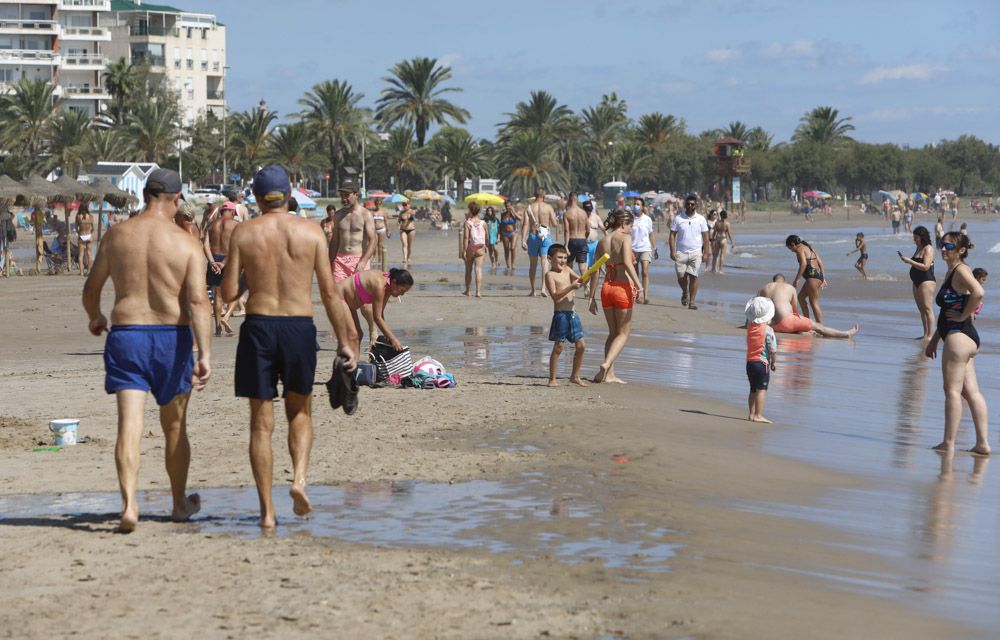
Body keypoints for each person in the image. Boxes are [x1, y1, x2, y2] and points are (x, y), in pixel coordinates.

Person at [222, 165, 356, 529]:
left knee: (260, 425)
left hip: (259, 326)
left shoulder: (245, 233)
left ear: (256, 196)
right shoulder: (311, 232)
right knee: (300, 411)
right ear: (288, 194)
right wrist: (345, 341)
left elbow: (229, 293)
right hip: (299, 327)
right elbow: (330, 292)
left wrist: (253, 270)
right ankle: (298, 479)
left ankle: (267, 512)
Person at [81, 168, 211, 533]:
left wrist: (96, 317)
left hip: (127, 336)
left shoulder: (117, 236)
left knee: (129, 426)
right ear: (175, 199)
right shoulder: (186, 243)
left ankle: (129, 506)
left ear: (144, 196)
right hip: (172, 338)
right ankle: (178, 504)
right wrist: (205, 355)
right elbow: (199, 303)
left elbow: (91, 290)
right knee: (174, 427)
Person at [924, 232, 989, 456]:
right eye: (941, 244)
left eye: (948, 246)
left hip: (959, 336)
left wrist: (962, 316)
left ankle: (948, 442)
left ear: (960, 250)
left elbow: (979, 292)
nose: (943, 248)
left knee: (952, 391)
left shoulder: (961, 269)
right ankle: (982, 444)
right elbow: (945, 311)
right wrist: (934, 339)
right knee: (971, 392)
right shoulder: (953, 270)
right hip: (963, 336)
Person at [589, 209, 640, 383]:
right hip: (621, 288)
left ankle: (609, 375)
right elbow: (627, 263)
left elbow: (595, 270)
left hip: (606, 289)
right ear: (624, 224)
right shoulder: (625, 238)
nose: (631, 230)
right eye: (631, 226)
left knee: (612, 333)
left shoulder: (602, 241)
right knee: (624, 333)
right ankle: (606, 364)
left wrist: (591, 297)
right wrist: (640, 287)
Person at [329, 177, 377, 349]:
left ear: (356, 195)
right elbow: (334, 242)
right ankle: (355, 332)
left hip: (359, 260)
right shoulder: (339, 216)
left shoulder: (365, 214)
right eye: (342, 195)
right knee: (341, 300)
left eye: (347, 195)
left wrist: (364, 261)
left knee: (363, 302)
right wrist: (329, 263)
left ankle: (372, 329)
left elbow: (373, 241)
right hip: (340, 261)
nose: (344, 198)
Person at [335, 268, 413, 357]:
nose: (402, 294)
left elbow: (380, 314)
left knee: (358, 334)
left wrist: (388, 338)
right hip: (339, 296)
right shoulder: (380, 285)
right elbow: (377, 317)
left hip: (349, 303)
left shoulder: (388, 288)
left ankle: (353, 365)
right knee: (354, 334)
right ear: (394, 282)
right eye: (402, 290)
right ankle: (347, 366)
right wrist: (393, 339)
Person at [757, 275, 859, 337]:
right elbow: (794, 311)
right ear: (784, 281)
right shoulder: (789, 287)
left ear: (773, 281)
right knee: (819, 327)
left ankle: (800, 331)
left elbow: (756, 308)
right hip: (786, 323)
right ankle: (846, 334)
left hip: (770, 326)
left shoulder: (763, 288)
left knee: (794, 325)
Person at [544, 244, 586, 387]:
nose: (562, 261)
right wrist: (571, 287)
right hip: (560, 315)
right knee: (559, 347)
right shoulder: (550, 275)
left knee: (581, 346)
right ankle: (552, 379)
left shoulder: (568, 270)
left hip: (573, 314)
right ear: (550, 259)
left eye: (565, 258)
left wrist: (588, 276)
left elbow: (581, 279)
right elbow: (555, 296)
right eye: (559, 258)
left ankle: (575, 376)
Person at [204, 202, 240, 337]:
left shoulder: (211, 225)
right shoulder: (236, 225)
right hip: (229, 260)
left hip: (213, 259)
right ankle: (227, 316)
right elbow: (236, 246)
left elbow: (205, 245)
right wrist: (224, 263)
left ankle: (218, 328)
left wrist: (213, 262)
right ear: (231, 212)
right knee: (236, 291)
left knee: (217, 295)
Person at [669, 194, 709, 310]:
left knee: (693, 276)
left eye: (692, 204)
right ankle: (685, 291)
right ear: (685, 204)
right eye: (688, 203)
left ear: (696, 205)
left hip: (696, 252)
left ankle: (692, 302)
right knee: (681, 277)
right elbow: (672, 235)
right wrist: (672, 251)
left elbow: (706, 237)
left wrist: (706, 253)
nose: (690, 206)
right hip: (681, 252)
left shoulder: (701, 219)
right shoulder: (678, 219)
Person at [898, 226, 936, 340]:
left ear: (922, 237)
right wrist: (907, 260)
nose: (914, 240)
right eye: (914, 237)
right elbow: (916, 263)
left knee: (927, 308)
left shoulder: (928, 248)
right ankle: (925, 334)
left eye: (916, 238)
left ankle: (930, 335)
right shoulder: (918, 248)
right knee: (921, 309)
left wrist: (910, 261)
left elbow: (925, 266)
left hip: (926, 280)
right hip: (916, 281)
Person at [744, 296, 778, 423]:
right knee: (762, 389)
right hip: (761, 363)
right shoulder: (768, 330)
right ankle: (758, 415)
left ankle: (751, 414)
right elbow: (772, 348)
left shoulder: (750, 328)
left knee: (753, 389)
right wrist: (773, 361)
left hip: (750, 362)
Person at [521, 187, 559, 297]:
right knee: (545, 264)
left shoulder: (529, 208)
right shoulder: (548, 207)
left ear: (535, 195)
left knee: (532, 265)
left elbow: (525, 225)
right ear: (544, 196)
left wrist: (523, 240)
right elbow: (555, 224)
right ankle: (543, 288)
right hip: (545, 237)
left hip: (533, 236)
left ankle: (533, 290)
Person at [786, 234, 826, 323]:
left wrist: (797, 280)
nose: (791, 251)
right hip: (818, 276)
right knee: (800, 298)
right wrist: (823, 278)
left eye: (790, 248)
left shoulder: (800, 250)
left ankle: (820, 326)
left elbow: (803, 264)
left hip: (812, 278)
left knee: (814, 302)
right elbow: (820, 262)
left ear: (793, 244)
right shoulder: (809, 248)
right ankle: (807, 322)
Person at [630, 200, 655, 304]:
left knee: (644, 272)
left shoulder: (647, 219)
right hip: (633, 249)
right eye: (635, 204)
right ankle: (636, 294)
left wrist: (655, 248)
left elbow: (651, 234)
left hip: (645, 248)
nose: (636, 206)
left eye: (638, 204)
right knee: (635, 274)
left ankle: (645, 295)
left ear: (642, 207)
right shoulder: (631, 219)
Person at [461, 203, 487, 298]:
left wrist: (464, 250)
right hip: (480, 248)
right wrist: (486, 246)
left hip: (471, 247)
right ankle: (478, 292)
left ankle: (468, 291)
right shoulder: (483, 223)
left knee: (468, 270)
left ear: (470, 211)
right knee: (478, 269)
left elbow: (465, 237)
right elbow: (486, 237)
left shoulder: (467, 223)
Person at [563, 192, 590, 281]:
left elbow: (566, 231)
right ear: (577, 199)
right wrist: (585, 238)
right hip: (582, 240)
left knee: (569, 265)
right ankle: (587, 286)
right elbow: (588, 230)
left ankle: (572, 289)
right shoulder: (584, 213)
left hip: (572, 239)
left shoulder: (567, 213)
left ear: (569, 199)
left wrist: (566, 245)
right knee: (582, 266)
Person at [710, 210, 734, 274]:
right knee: (722, 256)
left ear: (720, 215)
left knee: (715, 255)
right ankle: (720, 270)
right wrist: (732, 242)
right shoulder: (727, 224)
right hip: (723, 239)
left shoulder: (717, 223)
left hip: (717, 239)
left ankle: (713, 269)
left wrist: (712, 240)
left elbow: (714, 233)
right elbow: (729, 234)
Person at [499, 200, 519, 273]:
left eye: (509, 206)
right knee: (506, 249)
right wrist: (500, 235)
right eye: (506, 206)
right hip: (505, 233)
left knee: (512, 248)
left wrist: (513, 211)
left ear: (511, 205)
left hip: (514, 233)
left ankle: (513, 264)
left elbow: (520, 219)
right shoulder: (503, 214)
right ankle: (507, 264)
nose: (508, 207)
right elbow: (501, 225)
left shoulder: (514, 213)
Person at [75, 203, 94, 276]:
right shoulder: (91, 217)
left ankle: (81, 272)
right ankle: (89, 271)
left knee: (81, 254)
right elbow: (93, 228)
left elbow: (76, 228)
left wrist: (79, 233)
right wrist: (90, 232)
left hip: (81, 235)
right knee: (89, 254)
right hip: (89, 235)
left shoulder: (78, 216)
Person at [370, 199, 388, 272]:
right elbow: (370, 222)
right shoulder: (372, 212)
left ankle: (380, 258)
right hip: (374, 229)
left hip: (382, 229)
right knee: (374, 244)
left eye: (379, 204)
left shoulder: (383, 212)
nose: (378, 205)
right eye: (377, 203)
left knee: (380, 245)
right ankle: (374, 257)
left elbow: (386, 222)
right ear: (375, 204)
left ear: (381, 204)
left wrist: (388, 230)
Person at [484, 205, 499, 270]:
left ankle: (496, 260)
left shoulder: (496, 220)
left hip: (494, 236)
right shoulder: (485, 220)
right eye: (488, 211)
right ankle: (492, 263)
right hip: (488, 237)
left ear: (492, 212)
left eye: (490, 211)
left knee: (495, 249)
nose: (489, 212)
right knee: (490, 251)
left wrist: (499, 237)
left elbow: (499, 229)